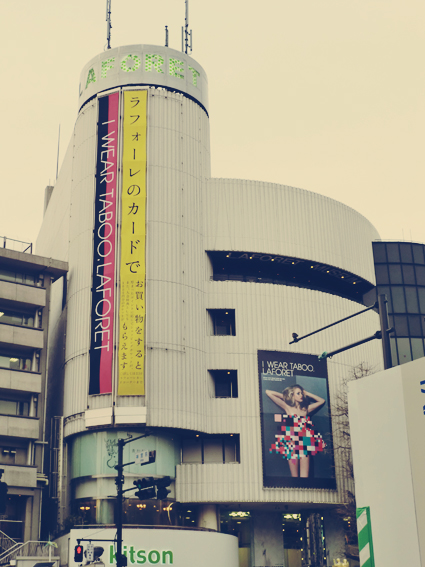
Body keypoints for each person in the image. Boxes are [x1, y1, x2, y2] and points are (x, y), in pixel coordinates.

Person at [265, 384, 326, 478]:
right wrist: (288, 398)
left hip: (304, 444)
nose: (301, 395)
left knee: (305, 478)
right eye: (298, 393)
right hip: (291, 444)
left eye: (301, 393)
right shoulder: (288, 407)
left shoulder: (305, 409)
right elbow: (268, 392)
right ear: (292, 395)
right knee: (294, 477)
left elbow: (322, 401)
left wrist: (307, 393)